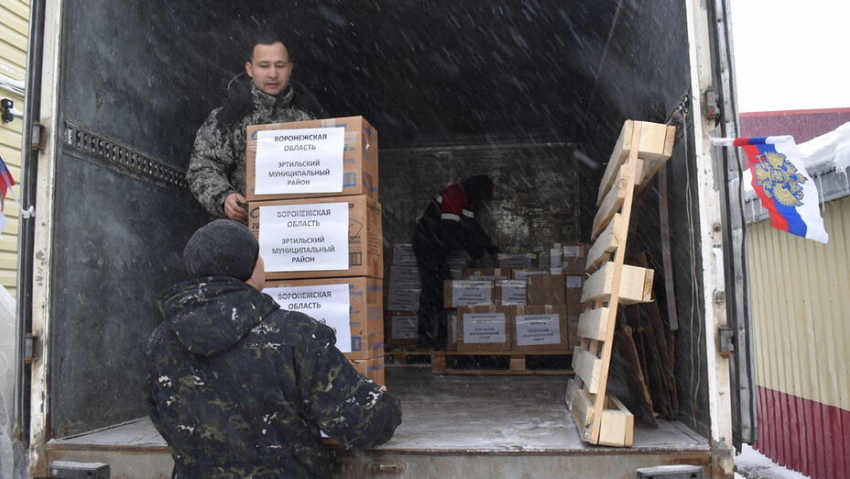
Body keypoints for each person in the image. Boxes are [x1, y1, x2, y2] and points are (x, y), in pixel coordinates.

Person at [145, 220, 401, 478]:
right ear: (253, 265)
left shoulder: (161, 342)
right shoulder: (298, 334)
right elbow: (363, 426)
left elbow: (163, 419)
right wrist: (379, 403)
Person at [187, 34, 327, 221]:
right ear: (250, 69)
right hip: (245, 233)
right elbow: (202, 168)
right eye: (264, 66)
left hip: (301, 229)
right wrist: (224, 197)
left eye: (279, 65)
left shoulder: (310, 120)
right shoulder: (228, 118)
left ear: (289, 69)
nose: (273, 74)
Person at [412, 175, 500, 350]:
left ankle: (443, 338)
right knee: (433, 290)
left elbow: (471, 225)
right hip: (427, 245)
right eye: (483, 197)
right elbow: (450, 230)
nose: (482, 202)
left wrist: (489, 245)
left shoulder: (469, 200)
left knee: (445, 290)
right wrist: (471, 246)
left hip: (437, 248)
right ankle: (425, 339)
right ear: (477, 190)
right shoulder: (454, 194)